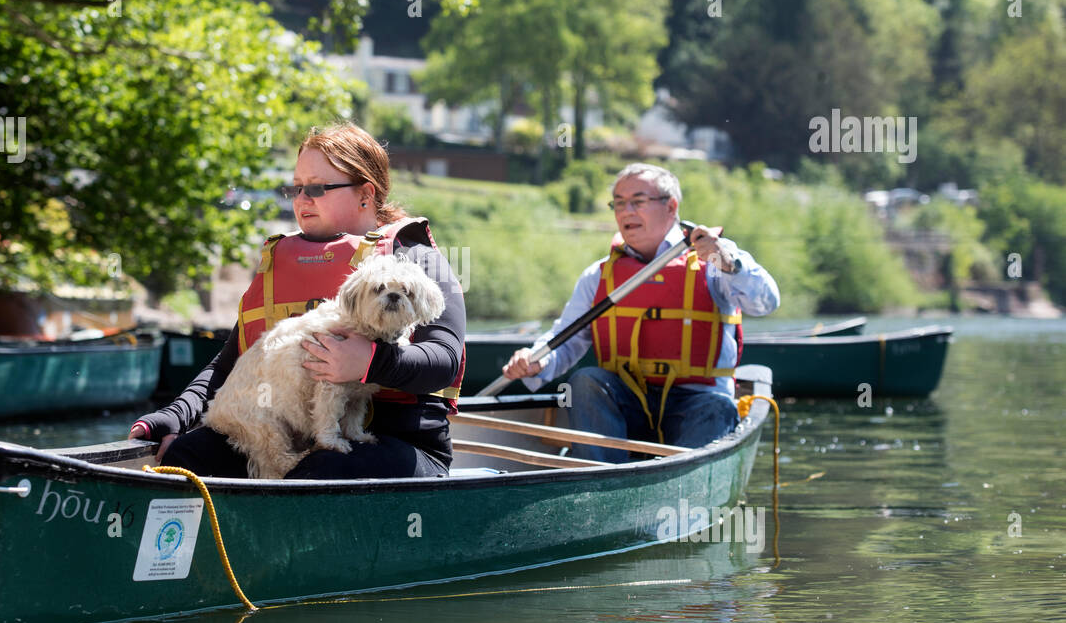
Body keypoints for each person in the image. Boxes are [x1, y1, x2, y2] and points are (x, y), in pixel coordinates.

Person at [129, 122, 466, 479]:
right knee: (188, 454)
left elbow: (444, 359)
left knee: (323, 466)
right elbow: (232, 362)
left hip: (401, 443)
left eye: (318, 188)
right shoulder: (282, 259)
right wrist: (178, 414)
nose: (302, 199)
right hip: (292, 434)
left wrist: (369, 362)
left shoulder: (419, 261)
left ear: (366, 193)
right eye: (297, 187)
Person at [501, 163, 779, 458]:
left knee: (718, 406)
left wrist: (728, 263)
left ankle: (681, 486)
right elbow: (564, 338)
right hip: (627, 403)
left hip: (697, 404)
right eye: (618, 203)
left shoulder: (715, 258)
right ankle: (601, 482)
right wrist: (538, 360)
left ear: (671, 206)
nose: (626, 212)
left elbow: (766, 303)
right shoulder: (598, 276)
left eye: (638, 201)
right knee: (586, 381)